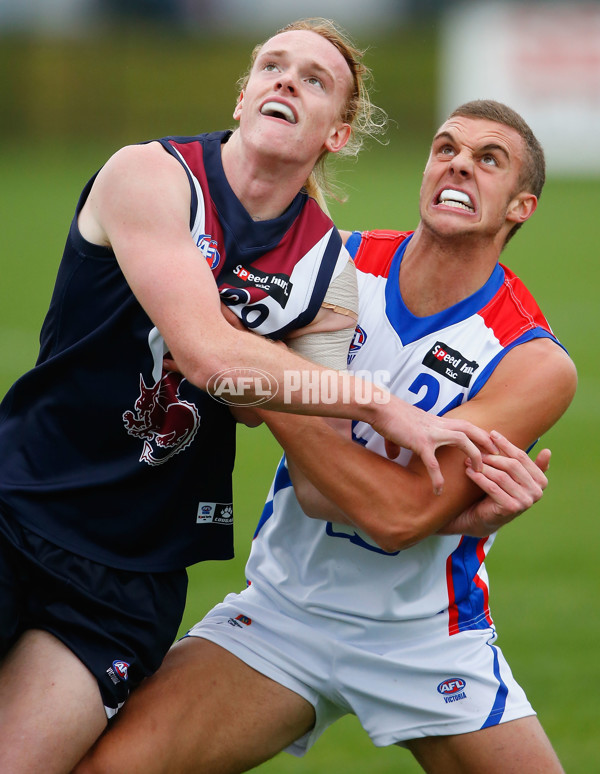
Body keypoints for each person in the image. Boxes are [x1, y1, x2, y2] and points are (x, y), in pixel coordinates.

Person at [0, 19, 504, 774]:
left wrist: (460, 511)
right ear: (242, 98)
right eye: (272, 66)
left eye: (313, 79)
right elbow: (206, 353)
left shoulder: (325, 270)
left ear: (337, 133)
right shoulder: (151, 175)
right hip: (18, 506)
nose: (285, 81)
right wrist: (376, 402)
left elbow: (319, 478)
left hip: (128, 574)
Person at [73, 99, 576, 774]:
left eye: (490, 160)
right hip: (285, 613)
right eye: (447, 147)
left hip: (423, 637)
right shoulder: (335, 263)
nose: (460, 163)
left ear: (521, 206)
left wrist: (262, 376)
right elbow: (303, 466)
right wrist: (252, 372)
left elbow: (396, 517)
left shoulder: (532, 359)